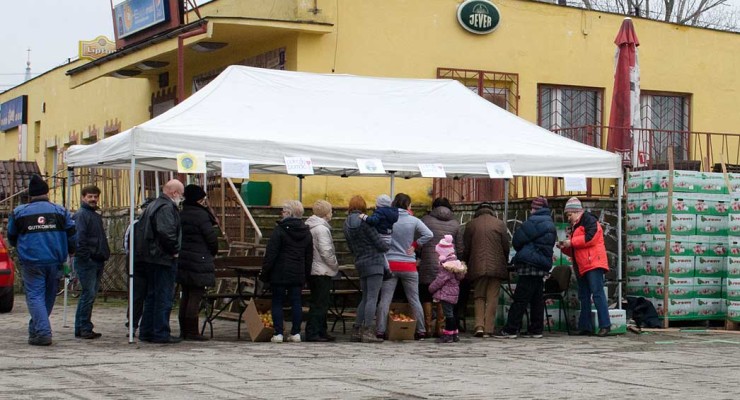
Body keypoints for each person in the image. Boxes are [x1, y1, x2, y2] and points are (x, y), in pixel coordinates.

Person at [7, 174, 75, 346]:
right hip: (55, 261)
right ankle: (36, 330)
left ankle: (43, 332)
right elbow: (73, 235)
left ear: (30, 194)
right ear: (47, 192)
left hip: (31, 261)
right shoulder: (61, 211)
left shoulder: (18, 213)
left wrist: (20, 247)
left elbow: (12, 237)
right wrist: (71, 251)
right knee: (48, 297)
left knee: (35, 296)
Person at [494, 196, 556, 339]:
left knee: (520, 298)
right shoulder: (550, 223)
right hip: (542, 264)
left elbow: (517, 240)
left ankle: (511, 329)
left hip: (530, 264)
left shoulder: (534, 221)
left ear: (535, 208)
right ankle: (536, 329)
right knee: (537, 299)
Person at [376, 193, 432, 340]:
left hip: (390, 264)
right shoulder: (414, 220)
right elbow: (429, 234)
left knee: (385, 299)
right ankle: (421, 330)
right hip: (409, 265)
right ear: (408, 205)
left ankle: (380, 331)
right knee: (414, 299)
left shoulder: (388, 220)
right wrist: (415, 245)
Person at [135, 179, 184, 344]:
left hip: (150, 256)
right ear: (174, 193)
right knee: (163, 296)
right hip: (162, 258)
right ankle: (160, 332)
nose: (181, 198)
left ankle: (147, 331)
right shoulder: (166, 207)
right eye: (181, 194)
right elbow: (166, 232)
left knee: (152, 295)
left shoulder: (153, 205)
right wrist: (175, 250)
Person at [261, 200, 313, 343]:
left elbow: (271, 253)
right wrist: (306, 275)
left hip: (279, 272)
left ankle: (278, 333)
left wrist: (265, 273)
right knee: (296, 302)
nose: (281, 213)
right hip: (298, 272)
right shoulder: (306, 232)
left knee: (277, 302)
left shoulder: (280, 230)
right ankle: (295, 333)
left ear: (289, 213)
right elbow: (309, 256)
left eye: (283, 210)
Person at [558, 197, 611, 337]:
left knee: (597, 293)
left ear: (576, 212)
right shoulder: (575, 226)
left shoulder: (589, 220)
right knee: (584, 296)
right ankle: (585, 326)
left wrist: (571, 242)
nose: (568, 218)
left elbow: (590, 238)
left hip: (593, 263)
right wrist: (564, 247)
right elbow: (576, 247)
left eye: (569, 214)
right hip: (582, 264)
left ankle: (605, 325)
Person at [343, 195, 389, 343]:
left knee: (365, 297)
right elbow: (380, 244)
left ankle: (356, 330)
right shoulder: (365, 222)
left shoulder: (346, 223)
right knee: (372, 298)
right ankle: (368, 331)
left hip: (360, 262)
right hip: (374, 262)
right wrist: (387, 243)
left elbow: (350, 247)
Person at [176, 185, 219, 341]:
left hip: (183, 258)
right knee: (195, 295)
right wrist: (212, 252)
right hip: (199, 259)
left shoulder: (181, 213)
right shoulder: (201, 215)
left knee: (185, 295)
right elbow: (211, 238)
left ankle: (184, 330)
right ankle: (193, 331)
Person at [461, 202, 510, 338]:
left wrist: (464, 262)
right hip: (497, 266)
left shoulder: (471, 224)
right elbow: (506, 246)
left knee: (479, 296)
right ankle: (489, 328)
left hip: (477, 265)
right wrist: (504, 262)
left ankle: (479, 326)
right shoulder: (500, 224)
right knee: (492, 297)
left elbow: (467, 248)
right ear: (492, 211)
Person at [419, 197, 463, 337]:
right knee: (444, 296)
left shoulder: (425, 220)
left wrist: (422, 254)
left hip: (428, 263)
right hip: (448, 265)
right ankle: (440, 328)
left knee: (426, 295)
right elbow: (460, 248)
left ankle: (427, 328)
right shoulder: (456, 224)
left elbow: (418, 241)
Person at [72, 185, 111, 340]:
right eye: (90, 196)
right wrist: (86, 257)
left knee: (90, 295)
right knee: (88, 294)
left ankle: (83, 326)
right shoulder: (82, 215)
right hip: (88, 260)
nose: (93, 199)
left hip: (96, 259)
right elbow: (79, 239)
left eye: (95, 196)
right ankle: (83, 327)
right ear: (83, 197)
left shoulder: (94, 215)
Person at [304, 200, 339, 342]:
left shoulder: (312, 226)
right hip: (322, 270)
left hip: (315, 268)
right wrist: (335, 265)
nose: (332, 213)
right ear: (326, 213)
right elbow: (326, 251)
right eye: (330, 211)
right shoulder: (321, 229)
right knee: (320, 303)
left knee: (319, 301)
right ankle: (313, 332)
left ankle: (321, 330)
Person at [124, 197, 154, 335]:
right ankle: (135, 324)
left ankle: (135, 324)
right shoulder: (135, 225)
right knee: (139, 297)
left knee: (137, 297)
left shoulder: (134, 225)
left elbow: (126, 247)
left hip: (137, 264)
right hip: (140, 265)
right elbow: (127, 245)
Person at [429, 235, 467, 344]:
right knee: (453, 313)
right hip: (454, 293)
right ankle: (455, 333)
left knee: (448, 314)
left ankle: (448, 334)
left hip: (446, 294)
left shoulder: (446, 267)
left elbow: (440, 280)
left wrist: (431, 288)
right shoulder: (456, 264)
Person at [360, 194, 398, 278]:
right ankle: (386, 269)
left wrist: (364, 217)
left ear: (379, 204)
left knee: (381, 254)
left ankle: (387, 269)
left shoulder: (380, 212)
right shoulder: (393, 212)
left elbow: (373, 221)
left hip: (381, 236)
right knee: (384, 254)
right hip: (389, 235)